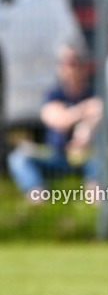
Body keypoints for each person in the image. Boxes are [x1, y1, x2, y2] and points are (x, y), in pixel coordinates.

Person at [7, 44, 102, 200]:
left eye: (75, 63)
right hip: (55, 156)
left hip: (86, 157)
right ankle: (36, 191)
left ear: (85, 67)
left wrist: (85, 130)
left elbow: (99, 112)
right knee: (18, 158)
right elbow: (59, 121)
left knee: (99, 158)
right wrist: (84, 110)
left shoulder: (94, 91)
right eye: (65, 63)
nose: (71, 68)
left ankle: (95, 191)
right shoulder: (53, 94)